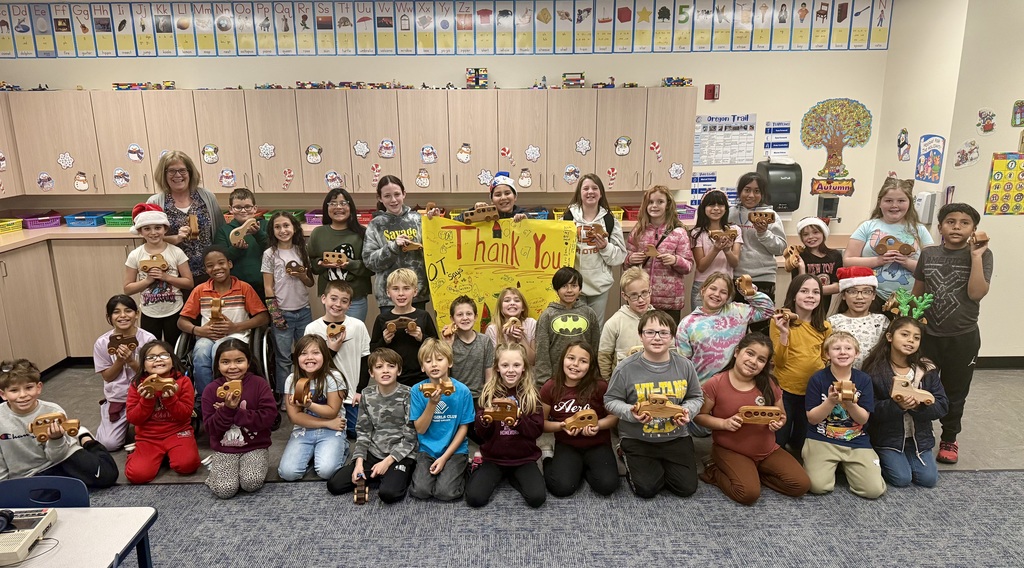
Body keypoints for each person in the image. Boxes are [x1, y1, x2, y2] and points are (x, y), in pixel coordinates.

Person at [912, 203, 992, 464]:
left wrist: (977, 256)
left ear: (974, 229)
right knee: (922, 385)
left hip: (963, 336)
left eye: (964, 222)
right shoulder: (928, 253)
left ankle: (949, 437)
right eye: (951, 221)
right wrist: (909, 321)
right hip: (929, 335)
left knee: (956, 391)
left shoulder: (983, 254)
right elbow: (918, 293)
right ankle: (920, 433)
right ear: (940, 227)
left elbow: (976, 293)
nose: (957, 226)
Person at [692, 334, 810, 505]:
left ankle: (753, 473)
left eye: (761, 359)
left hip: (767, 449)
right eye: (750, 353)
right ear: (737, 352)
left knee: (801, 485)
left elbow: (781, 415)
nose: (754, 361)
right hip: (731, 450)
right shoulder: (716, 383)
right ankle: (714, 470)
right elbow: (699, 416)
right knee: (748, 494)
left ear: (766, 365)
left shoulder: (769, 384)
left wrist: (779, 423)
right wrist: (723, 423)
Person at [604, 311, 703, 498]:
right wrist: (630, 412)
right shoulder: (625, 368)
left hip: (675, 436)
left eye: (663, 333)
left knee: (686, 488)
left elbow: (696, 397)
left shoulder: (685, 366)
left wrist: (687, 410)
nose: (657, 338)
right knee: (647, 489)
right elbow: (610, 400)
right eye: (650, 332)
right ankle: (624, 450)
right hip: (638, 438)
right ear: (641, 336)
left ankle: (661, 464)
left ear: (672, 337)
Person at [177, 246, 270, 413]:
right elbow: (182, 321)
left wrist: (236, 326)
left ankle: (228, 395)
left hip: (236, 336)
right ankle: (206, 398)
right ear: (206, 269)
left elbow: (263, 317)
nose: (217, 268)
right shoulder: (200, 290)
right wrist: (198, 330)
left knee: (219, 353)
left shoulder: (243, 288)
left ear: (230, 264)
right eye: (210, 265)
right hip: (207, 336)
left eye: (221, 263)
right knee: (201, 351)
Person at [0, 359, 118, 487]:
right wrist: (5, 486)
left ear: (38, 388)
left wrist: (56, 438)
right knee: (49, 496)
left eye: (29, 388)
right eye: (14, 390)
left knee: (107, 476)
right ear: (3, 394)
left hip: (61, 457)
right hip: (31, 473)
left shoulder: (53, 411)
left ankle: (85, 439)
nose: (22, 395)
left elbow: (56, 456)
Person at [862, 318, 948, 488]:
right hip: (888, 439)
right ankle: (880, 455)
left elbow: (942, 405)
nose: (911, 340)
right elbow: (871, 410)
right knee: (902, 479)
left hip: (918, 439)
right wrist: (897, 406)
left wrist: (918, 406)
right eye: (905, 334)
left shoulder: (927, 369)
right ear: (889, 337)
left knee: (928, 479)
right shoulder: (874, 370)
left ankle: (909, 456)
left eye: (916, 338)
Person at [327, 348, 418, 503]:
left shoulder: (408, 394)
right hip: (374, 451)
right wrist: (359, 462)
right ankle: (378, 473)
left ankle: (393, 473)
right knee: (335, 485)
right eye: (379, 367)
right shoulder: (367, 394)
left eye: (391, 366)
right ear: (371, 373)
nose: (385, 371)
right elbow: (363, 432)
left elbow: (411, 437)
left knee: (389, 494)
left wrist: (387, 462)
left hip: (400, 454)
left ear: (399, 371)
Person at [803, 332, 886, 499]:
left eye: (848, 348)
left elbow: (863, 419)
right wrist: (830, 402)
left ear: (856, 354)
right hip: (822, 438)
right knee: (816, 486)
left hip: (855, 439)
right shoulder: (818, 379)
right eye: (836, 348)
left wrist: (850, 403)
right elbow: (812, 418)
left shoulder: (864, 380)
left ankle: (845, 466)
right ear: (827, 354)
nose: (842, 352)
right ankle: (833, 465)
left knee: (873, 490)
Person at [465, 343, 546, 508]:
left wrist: (518, 420)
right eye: (505, 365)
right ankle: (476, 467)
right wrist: (485, 421)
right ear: (497, 368)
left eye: (516, 365)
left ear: (524, 367)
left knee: (537, 499)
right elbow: (481, 433)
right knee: (475, 499)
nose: (511, 370)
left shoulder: (531, 395)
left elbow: (537, 430)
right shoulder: (488, 393)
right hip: (494, 457)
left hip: (523, 457)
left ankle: (512, 476)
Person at [540, 342, 619, 497]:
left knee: (607, 486)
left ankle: (581, 469)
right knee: (562, 488)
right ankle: (547, 457)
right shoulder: (550, 387)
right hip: (567, 444)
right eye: (571, 358)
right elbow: (541, 424)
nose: (575, 364)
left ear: (590, 365)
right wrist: (561, 426)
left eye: (583, 361)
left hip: (598, 443)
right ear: (563, 359)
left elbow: (614, 417)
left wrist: (598, 425)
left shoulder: (600, 386)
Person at [201, 339, 277, 499]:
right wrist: (227, 410)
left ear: (248, 362)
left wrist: (233, 411)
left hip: (255, 446)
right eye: (225, 362)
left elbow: (268, 418)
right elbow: (211, 429)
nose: (233, 367)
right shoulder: (211, 390)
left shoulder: (259, 384)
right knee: (225, 490)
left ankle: (240, 468)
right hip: (224, 448)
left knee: (251, 482)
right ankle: (214, 470)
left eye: (239, 361)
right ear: (218, 365)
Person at [844, 177, 933, 311]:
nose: (894, 205)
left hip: (910, 299)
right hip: (871, 298)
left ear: (910, 203)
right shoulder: (867, 227)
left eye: (901, 201)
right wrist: (878, 260)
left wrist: (906, 262)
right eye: (889, 201)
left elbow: (931, 268)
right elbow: (848, 261)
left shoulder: (919, 230)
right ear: (880, 203)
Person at [676, 272, 774, 385]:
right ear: (703, 290)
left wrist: (749, 291)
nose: (717, 294)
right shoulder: (687, 324)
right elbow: (683, 363)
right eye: (713, 289)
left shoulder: (738, 311)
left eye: (723, 292)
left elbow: (767, 310)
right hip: (702, 385)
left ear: (728, 297)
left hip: (735, 385)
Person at [125, 341, 201, 484]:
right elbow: (133, 418)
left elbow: (185, 414)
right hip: (149, 437)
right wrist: (147, 401)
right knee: (137, 475)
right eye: (151, 357)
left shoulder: (183, 381)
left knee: (188, 465)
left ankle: (171, 454)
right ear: (143, 365)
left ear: (172, 361)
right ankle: (139, 454)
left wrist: (170, 398)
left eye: (164, 355)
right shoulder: (137, 385)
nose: (158, 359)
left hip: (178, 432)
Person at [771, 274, 831, 454]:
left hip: (811, 391)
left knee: (801, 444)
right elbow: (779, 362)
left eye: (815, 292)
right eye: (804, 291)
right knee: (778, 442)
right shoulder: (779, 322)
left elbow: (824, 358)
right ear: (794, 295)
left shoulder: (825, 327)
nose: (810, 296)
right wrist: (784, 333)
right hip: (785, 390)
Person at [409, 339, 475, 501]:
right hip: (427, 450)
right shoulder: (417, 390)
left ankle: (464, 468)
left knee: (445, 493)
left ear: (450, 362)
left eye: (439, 359)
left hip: (455, 450)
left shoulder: (462, 391)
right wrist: (432, 403)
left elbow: (463, 428)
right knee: (421, 491)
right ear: (423, 367)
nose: (434, 365)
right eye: (428, 361)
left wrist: (445, 457)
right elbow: (420, 429)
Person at [147, 150, 225, 286]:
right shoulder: (155, 203)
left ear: (190, 172)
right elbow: (147, 240)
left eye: (182, 170)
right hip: (173, 274)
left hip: (209, 271)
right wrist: (175, 239)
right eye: (171, 171)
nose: (177, 175)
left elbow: (220, 232)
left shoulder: (206, 197)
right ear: (164, 175)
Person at [277, 335, 348, 482]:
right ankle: (312, 454)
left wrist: (309, 405)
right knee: (288, 473)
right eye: (304, 353)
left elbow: (332, 412)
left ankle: (341, 447)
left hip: (332, 431)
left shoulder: (333, 377)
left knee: (326, 472)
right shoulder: (292, 380)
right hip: (305, 430)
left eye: (315, 353)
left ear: (325, 355)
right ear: (297, 357)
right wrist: (326, 423)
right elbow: (295, 417)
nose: (309, 357)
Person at [306, 280, 370, 438]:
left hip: (350, 396)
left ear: (349, 305)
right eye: (333, 298)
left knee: (356, 432)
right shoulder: (312, 328)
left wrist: (360, 390)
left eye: (344, 301)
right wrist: (332, 349)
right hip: (323, 394)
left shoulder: (357, 326)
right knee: (325, 430)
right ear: (323, 299)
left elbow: (365, 359)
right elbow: (311, 365)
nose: (337, 304)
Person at [92, 295, 156, 451]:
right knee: (108, 444)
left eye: (128, 311)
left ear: (137, 314)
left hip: (145, 396)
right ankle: (108, 412)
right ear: (109, 317)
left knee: (154, 438)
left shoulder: (148, 339)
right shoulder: (102, 343)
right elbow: (107, 376)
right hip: (118, 398)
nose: (123, 316)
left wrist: (132, 362)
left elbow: (153, 375)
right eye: (116, 312)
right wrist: (120, 361)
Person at [123, 204, 193, 345]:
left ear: (165, 229)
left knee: (174, 348)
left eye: (157, 228)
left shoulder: (176, 252)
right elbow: (127, 289)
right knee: (150, 348)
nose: (153, 232)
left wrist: (166, 277)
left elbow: (189, 283)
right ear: (140, 231)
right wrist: (148, 280)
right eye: (147, 229)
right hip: (149, 312)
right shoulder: (135, 255)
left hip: (174, 310)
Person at [623, 185, 694, 325]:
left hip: (670, 301)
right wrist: (630, 258)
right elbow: (625, 263)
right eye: (650, 202)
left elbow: (688, 266)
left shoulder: (678, 232)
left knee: (666, 338)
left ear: (667, 205)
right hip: (641, 298)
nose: (654, 206)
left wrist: (675, 260)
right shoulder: (638, 231)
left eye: (660, 202)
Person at [261, 211, 314, 396]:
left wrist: (301, 275)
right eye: (277, 227)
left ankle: (307, 391)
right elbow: (268, 287)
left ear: (294, 228)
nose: (283, 230)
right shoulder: (270, 254)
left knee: (307, 355)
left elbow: (310, 282)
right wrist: (276, 315)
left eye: (286, 226)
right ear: (272, 230)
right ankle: (285, 395)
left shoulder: (301, 249)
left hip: (304, 310)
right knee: (283, 358)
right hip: (282, 312)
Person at [729, 172, 787, 333]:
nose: (751, 195)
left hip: (763, 278)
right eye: (747, 190)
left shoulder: (771, 216)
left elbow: (780, 248)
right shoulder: (730, 213)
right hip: (735, 278)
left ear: (762, 194)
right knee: (735, 329)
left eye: (757, 191)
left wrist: (763, 233)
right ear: (740, 191)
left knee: (761, 330)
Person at [563, 174, 627, 319]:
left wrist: (605, 247)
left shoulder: (609, 220)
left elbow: (620, 257)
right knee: (576, 326)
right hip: (573, 285)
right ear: (580, 193)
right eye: (585, 188)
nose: (590, 192)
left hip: (599, 286)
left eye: (594, 188)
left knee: (595, 328)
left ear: (601, 193)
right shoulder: (568, 218)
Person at [363, 176, 431, 310]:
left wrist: (433, 222)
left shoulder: (418, 220)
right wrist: (392, 247)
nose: (393, 200)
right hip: (388, 298)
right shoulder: (376, 225)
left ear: (404, 194)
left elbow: (433, 250)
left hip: (417, 294)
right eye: (387, 196)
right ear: (380, 198)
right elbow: (370, 262)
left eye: (397, 194)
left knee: (417, 331)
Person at [308, 187, 372, 322]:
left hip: (356, 297)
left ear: (351, 207)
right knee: (333, 335)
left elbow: (371, 267)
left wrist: (349, 264)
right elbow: (312, 264)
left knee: (353, 335)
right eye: (333, 203)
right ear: (326, 208)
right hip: (330, 297)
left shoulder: (362, 233)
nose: (338, 207)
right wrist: (321, 263)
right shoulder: (318, 233)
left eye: (343, 203)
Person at [368, 268, 439, 388]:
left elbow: (437, 346)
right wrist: (384, 341)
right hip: (393, 378)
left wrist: (422, 337)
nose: (401, 293)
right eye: (395, 289)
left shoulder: (423, 316)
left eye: (406, 288)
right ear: (388, 292)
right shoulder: (382, 319)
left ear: (415, 291)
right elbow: (373, 351)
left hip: (421, 376)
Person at [534, 267, 602, 386]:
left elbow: (595, 346)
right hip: (556, 380)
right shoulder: (547, 315)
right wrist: (543, 383)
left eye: (574, 286)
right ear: (556, 289)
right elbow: (542, 352)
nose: (569, 290)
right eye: (564, 286)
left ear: (580, 289)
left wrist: (594, 375)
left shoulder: (589, 313)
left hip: (584, 379)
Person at [689, 190, 742, 310]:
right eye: (711, 204)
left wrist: (727, 250)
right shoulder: (697, 233)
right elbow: (701, 266)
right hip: (702, 285)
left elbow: (735, 263)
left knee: (724, 324)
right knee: (700, 324)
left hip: (725, 286)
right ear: (703, 208)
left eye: (721, 204)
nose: (716, 208)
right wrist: (716, 249)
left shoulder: (734, 230)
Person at [214, 188, 269, 301]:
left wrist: (258, 234)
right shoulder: (224, 231)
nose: (243, 211)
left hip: (265, 284)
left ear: (255, 208)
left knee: (267, 316)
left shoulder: (264, 226)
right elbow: (221, 259)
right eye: (238, 207)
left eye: (247, 207)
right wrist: (236, 249)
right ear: (231, 209)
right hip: (237, 287)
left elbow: (274, 249)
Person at [828, 267, 889, 369]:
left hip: (873, 376)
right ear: (843, 295)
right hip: (841, 376)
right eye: (852, 292)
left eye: (866, 292)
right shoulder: (833, 321)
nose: (860, 297)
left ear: (873, 295)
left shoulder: (881, 321)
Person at [598, 268, 652, 380]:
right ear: (624, 296)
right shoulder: (614, 323)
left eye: (644, 293)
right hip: (623, 385)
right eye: (634, 295)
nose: (641, 300)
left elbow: (670, 351)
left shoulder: (660, 321)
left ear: (650, 290)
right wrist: (609, 384)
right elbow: (604, 357)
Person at [444, 296, 494, 400]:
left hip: (479, 397)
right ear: (452, 319)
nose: (465, 318)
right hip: (455, 396)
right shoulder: (447, 343)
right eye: (460, 315)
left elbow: (490, 376)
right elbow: (443, 375)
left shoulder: (485, 341)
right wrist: (448, 345)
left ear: (475, 317)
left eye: (469, 314)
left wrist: (487, 399)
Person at [790, 216, 843, 298]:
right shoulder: (799, 257)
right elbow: (799, 287)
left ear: (823, 234)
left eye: (815, 232)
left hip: (825, 305)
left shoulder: (835, 256)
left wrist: (811, 290)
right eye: (805, 234)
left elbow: (838, 286)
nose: (810, 237)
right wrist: (802, 269)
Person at [485, 287, 537, 365]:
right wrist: (511, 340)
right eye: (507, 300)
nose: (512, 303)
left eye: (517, 300)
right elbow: (496, 363)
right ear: (500, 307)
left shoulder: (531, 324)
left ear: (523, 307)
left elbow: (532, 361)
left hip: (528, 375)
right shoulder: (492, 329)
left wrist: (521, 339)